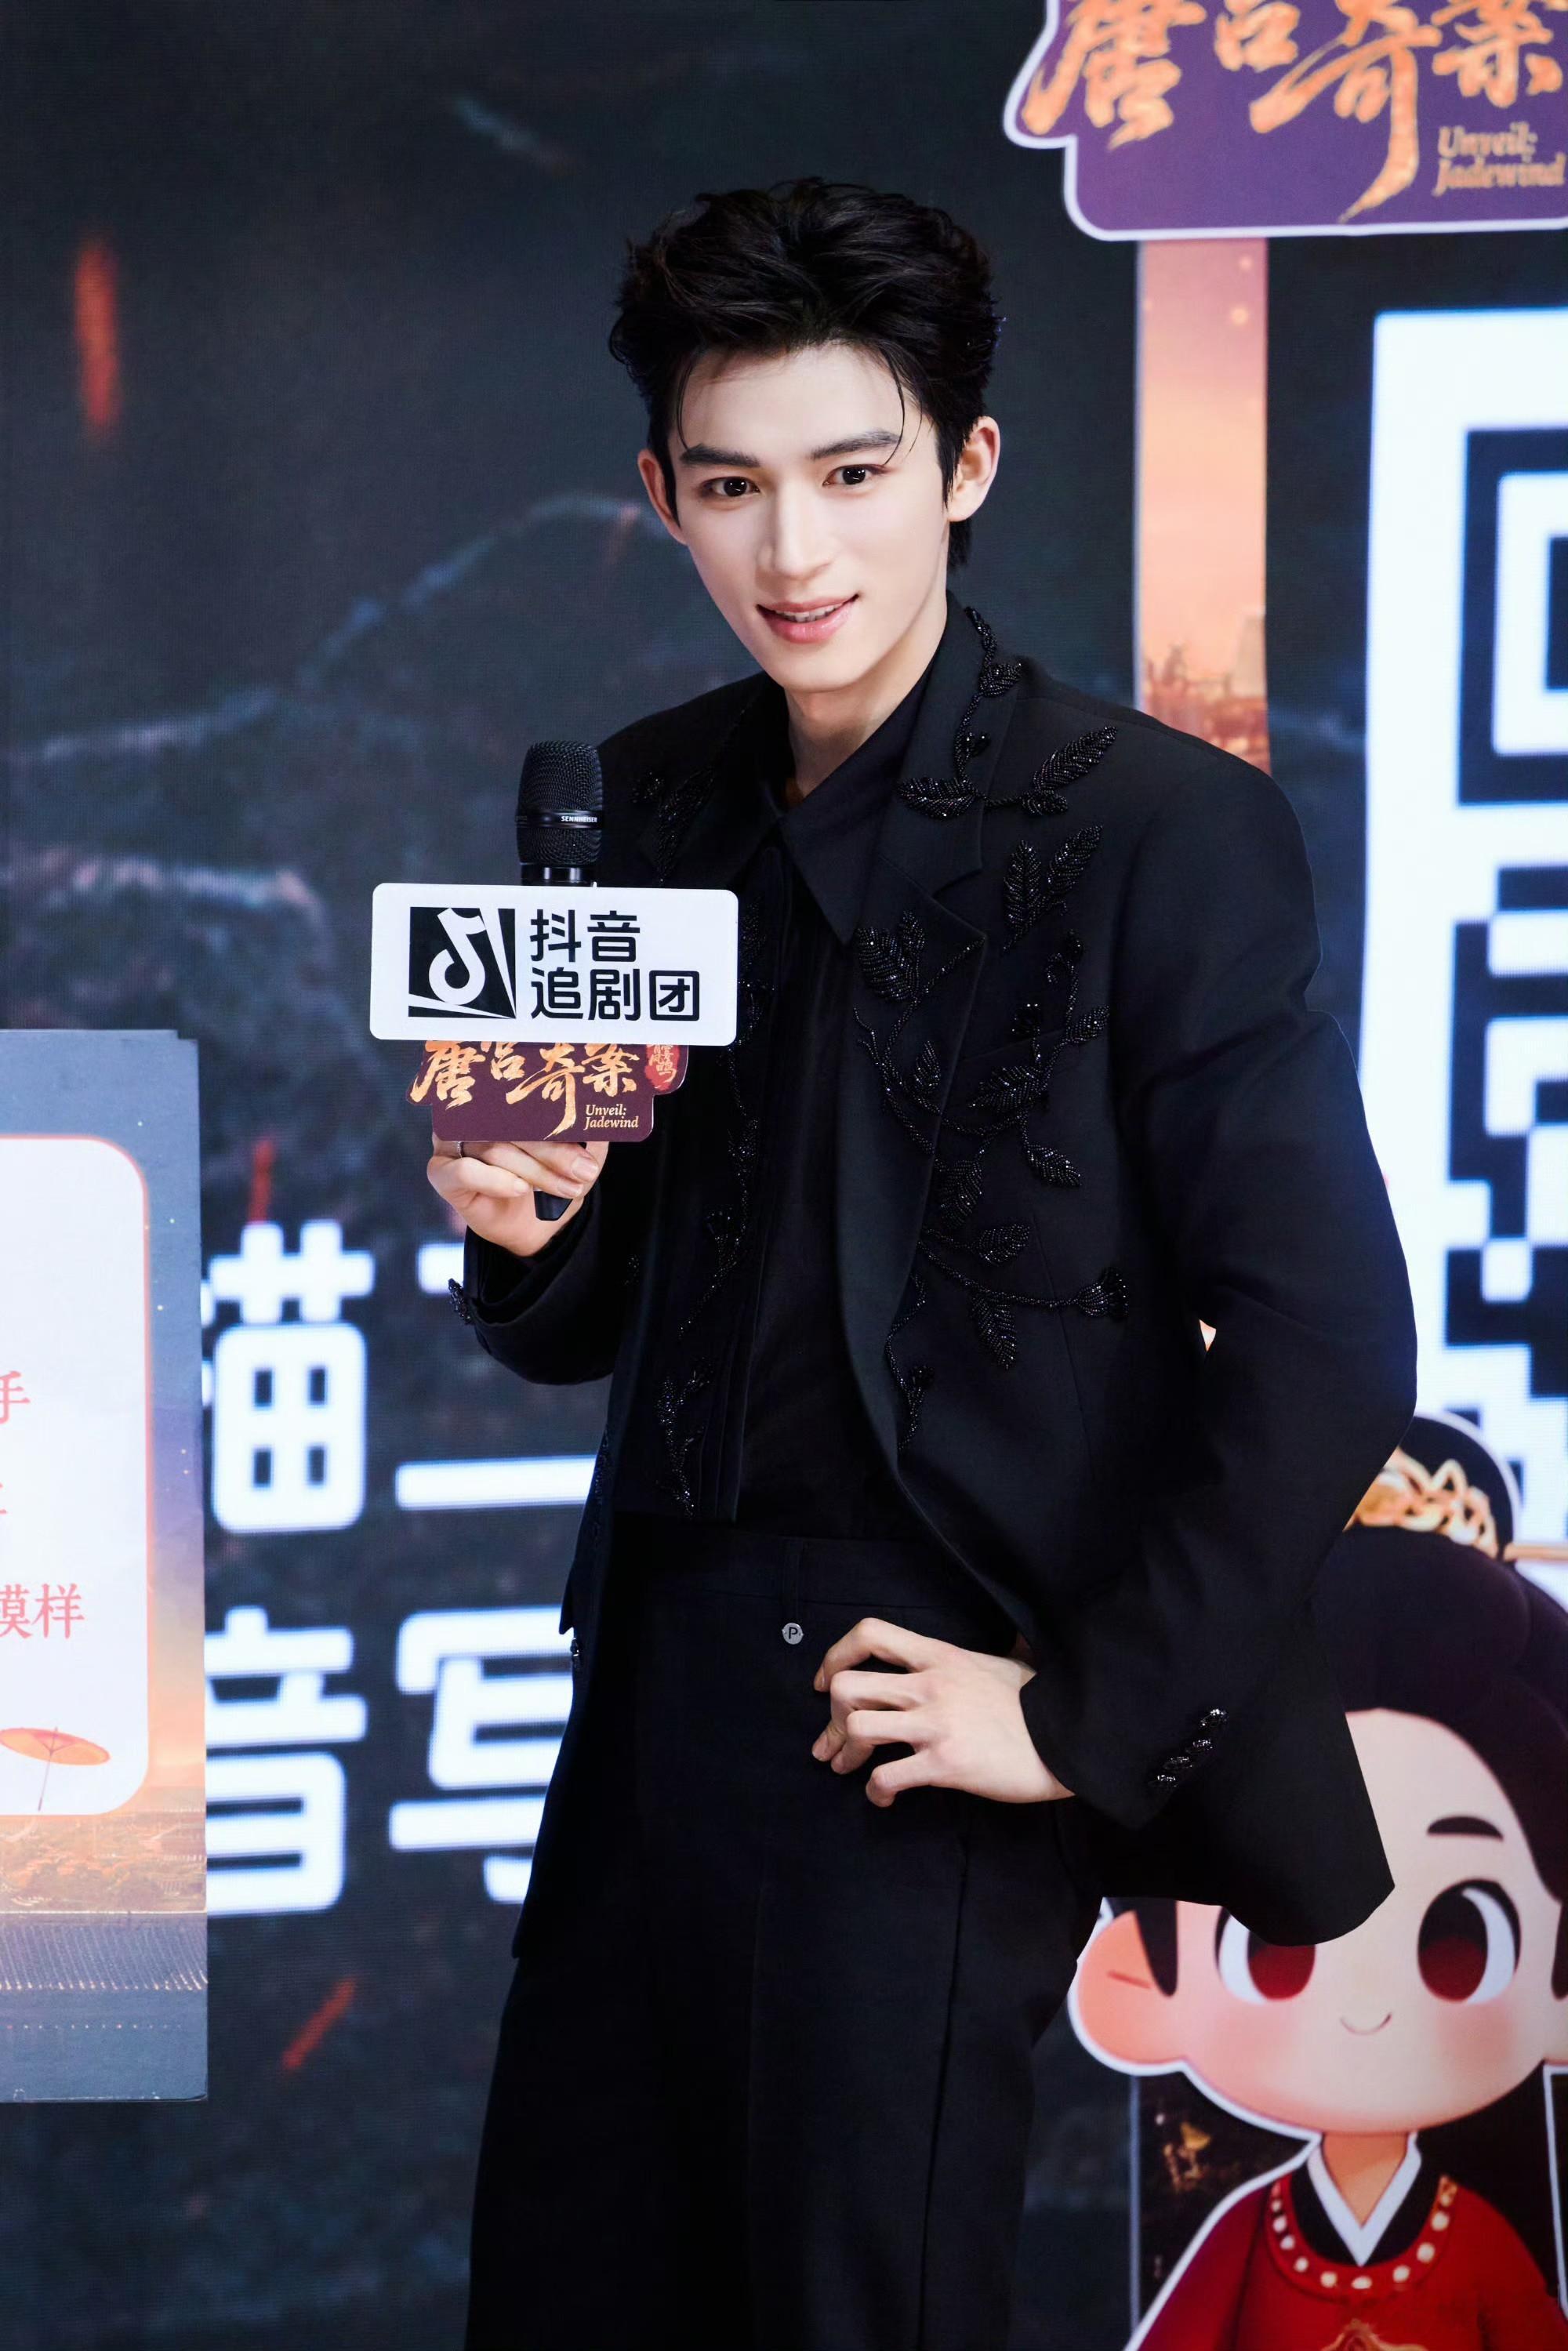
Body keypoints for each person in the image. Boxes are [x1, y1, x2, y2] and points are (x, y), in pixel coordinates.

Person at [428, 177, 1417, 2351]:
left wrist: (1076, 1714)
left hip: (914, 1707)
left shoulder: (1152, 827)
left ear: (963, 466)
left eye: (852, 474)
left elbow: (1332, 1330)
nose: (795, 551)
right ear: (659, 498)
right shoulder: (639, 804)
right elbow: (600, 1309)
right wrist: (522, 1222)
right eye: (732, 487)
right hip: (650, 1689)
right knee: (566, 2291)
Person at [1073, 1411, 1568, 2347]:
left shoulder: (1475, 2239)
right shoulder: (1249, 2231)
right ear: (1131, 1978)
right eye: (1271, 1939)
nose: (1367, 2004)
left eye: (1458, 1938)